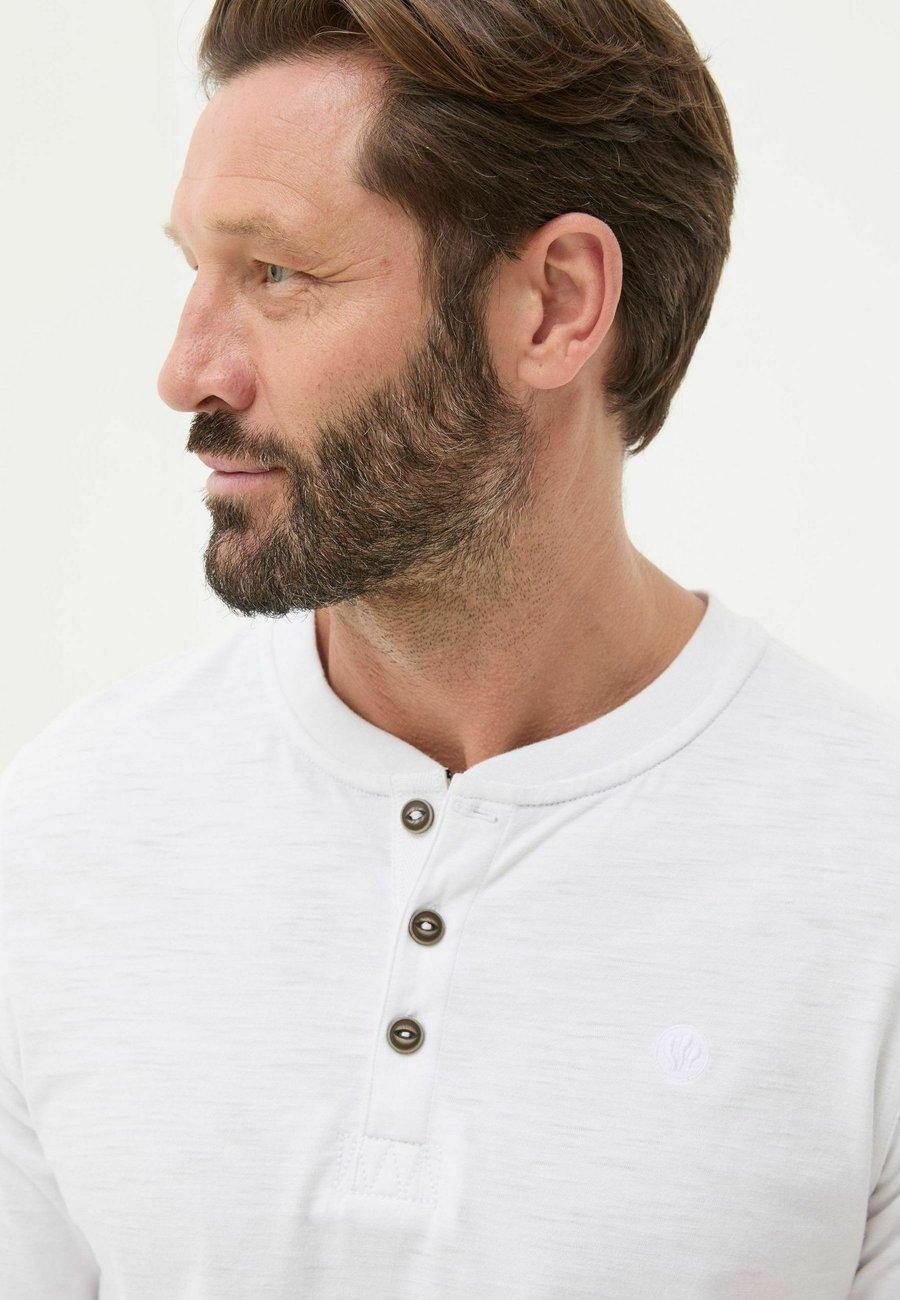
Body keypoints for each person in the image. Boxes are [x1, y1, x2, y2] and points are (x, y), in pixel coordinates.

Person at [2, 0, 898, 1295]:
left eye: (276, 274)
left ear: (555, 304)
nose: (188, 369)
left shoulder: (868, 876)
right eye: (194, 269)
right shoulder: (67, 833)